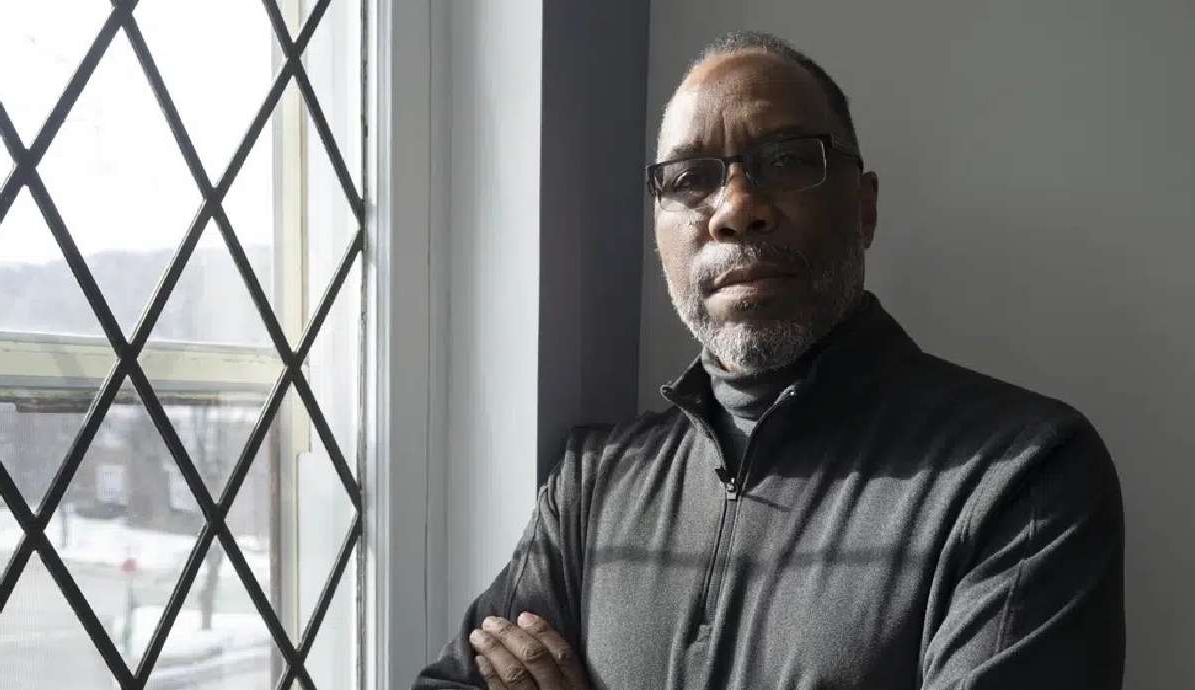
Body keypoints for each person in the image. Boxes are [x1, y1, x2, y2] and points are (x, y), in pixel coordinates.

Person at [414, 30, 1125, 690]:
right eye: (690, 177)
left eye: (785, 161)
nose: (735, 209)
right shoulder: (593, 489)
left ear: (864, 208)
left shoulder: (1021, 478)